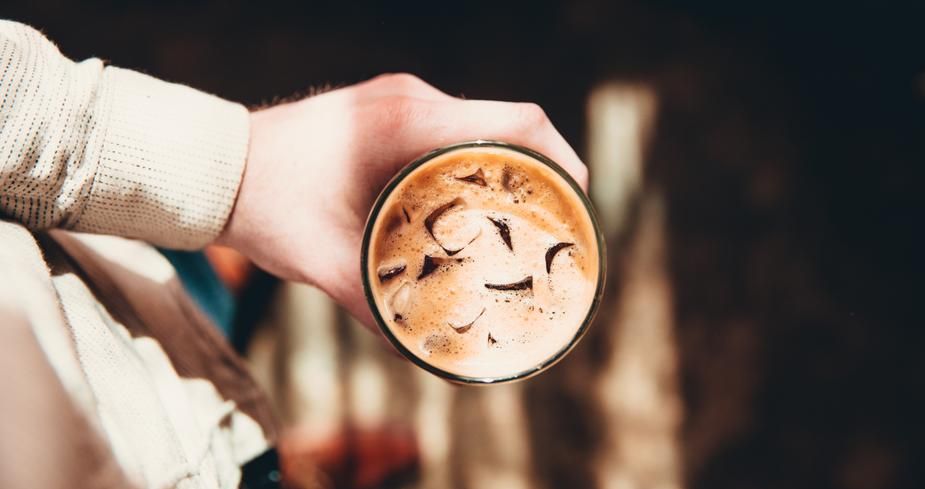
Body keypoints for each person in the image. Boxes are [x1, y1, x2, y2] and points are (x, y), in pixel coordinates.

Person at [0, 19, 588, 489]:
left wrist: (239, 177)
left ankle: (228, 308)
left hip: (101, 326)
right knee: (184, 303)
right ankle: (279, 455)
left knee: (181, 288)